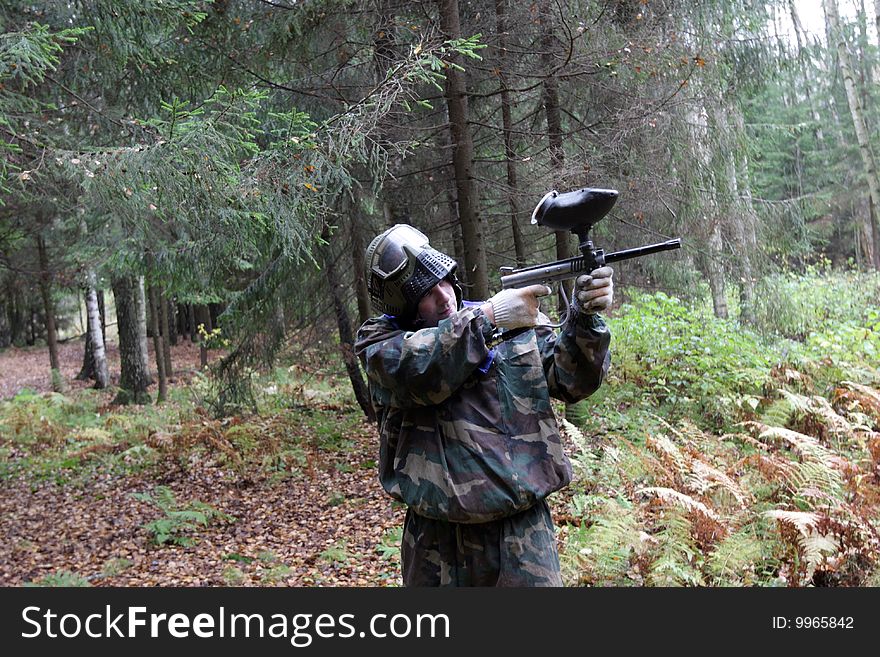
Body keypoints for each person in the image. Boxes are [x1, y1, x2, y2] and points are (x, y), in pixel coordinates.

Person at [354, 223, 612, 586]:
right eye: (426, 293)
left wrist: (586, 317)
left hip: (522, 539)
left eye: (444, 280)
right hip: (436, 547)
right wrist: (489, 319)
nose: (444, 297)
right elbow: (420, 368)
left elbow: (572, 379)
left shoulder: (510, 324)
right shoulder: (381, 345)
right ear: (404, 307)